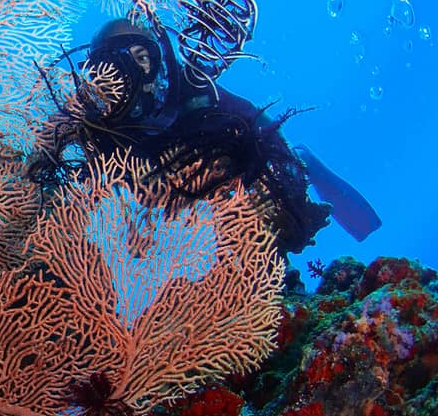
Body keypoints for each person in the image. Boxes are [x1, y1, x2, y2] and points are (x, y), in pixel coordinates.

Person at [29, 17, 379, 256]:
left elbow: (261, 139)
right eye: (116, 65)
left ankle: (308, 160)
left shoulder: (199, 97)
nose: (136, 74)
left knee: (289, 167)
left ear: (160, 57)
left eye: (143, 58)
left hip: (228, 212)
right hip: (166, 228)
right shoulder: (98, 129)